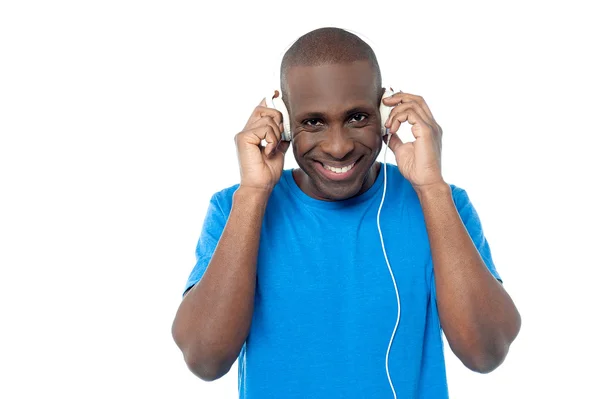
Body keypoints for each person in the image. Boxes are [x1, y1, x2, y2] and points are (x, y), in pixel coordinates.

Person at [171, 27, 521, 398]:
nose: (338, 147)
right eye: (313, 122)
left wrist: (432, 188)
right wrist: (254, 193)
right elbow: (205, 360)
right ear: (284, 123)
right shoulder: (234, 207)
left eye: (357, 117)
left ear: (385, 113)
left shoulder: (442, 204)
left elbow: (486, 353)